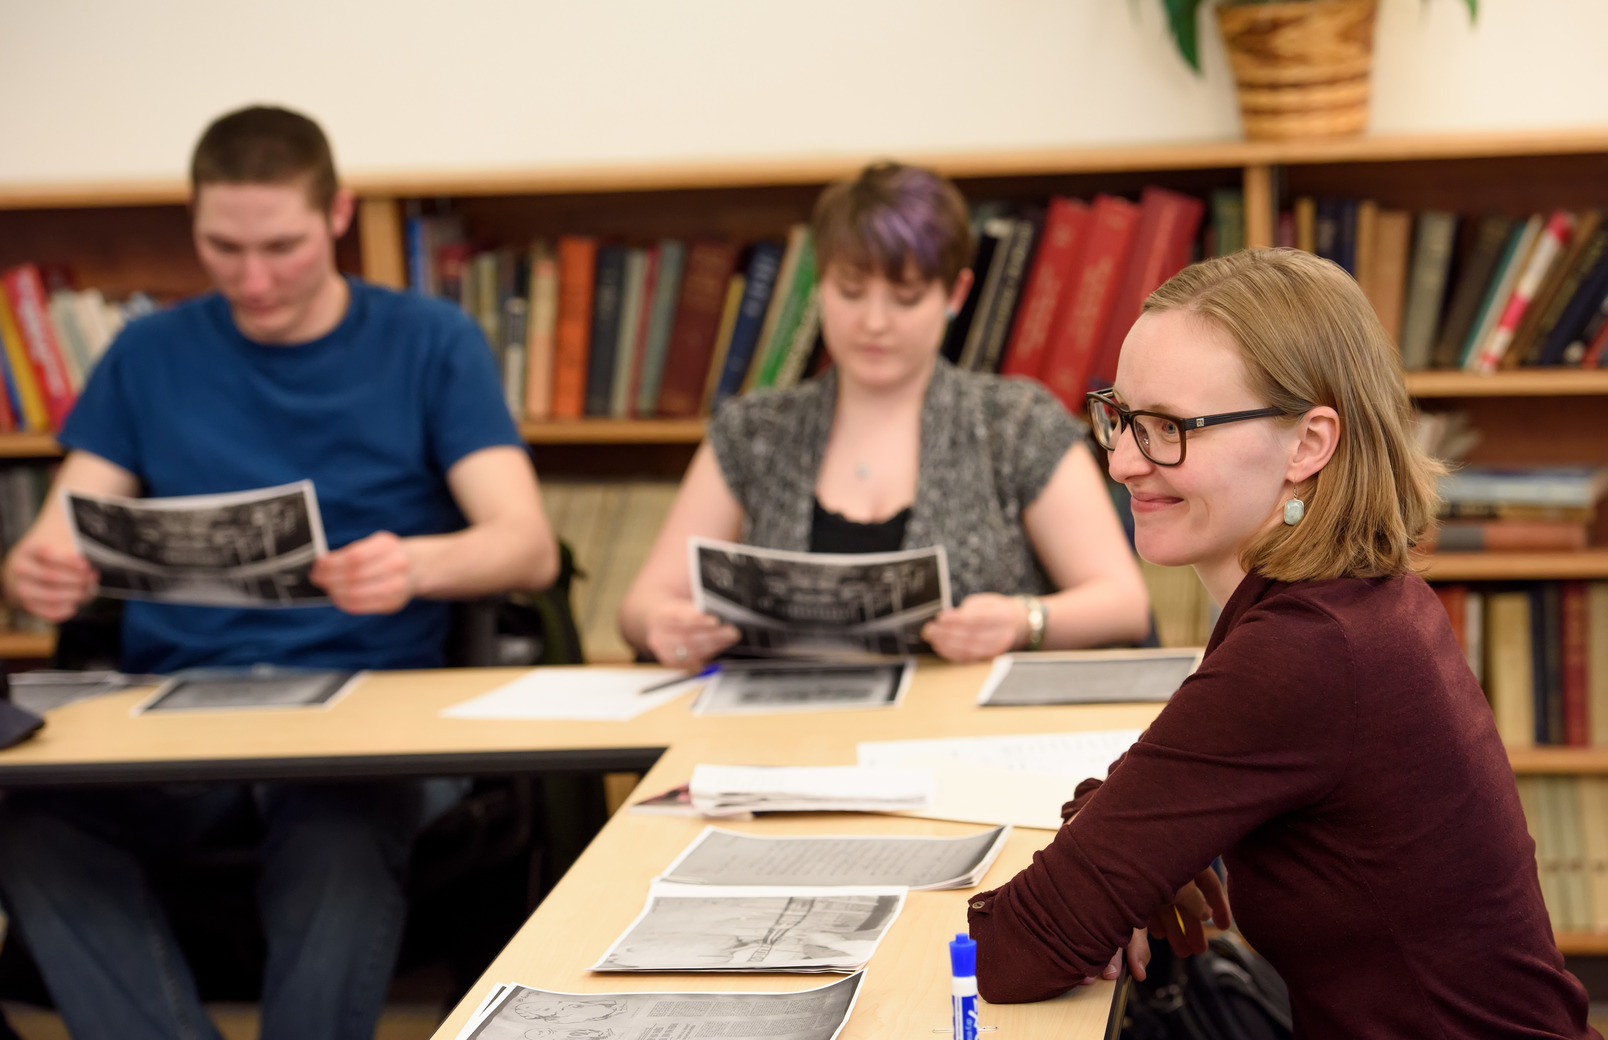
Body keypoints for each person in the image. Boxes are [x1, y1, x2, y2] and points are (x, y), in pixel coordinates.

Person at [0, 106, 559, 1040]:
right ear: (193, 222)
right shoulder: (149, 353)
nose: (253, 279)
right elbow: (51, 541)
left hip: (365, 718)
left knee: (335, 832)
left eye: (282, 247)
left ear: (338, 214)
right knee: (30, 822)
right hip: (171, 721)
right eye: (223, 246)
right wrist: (37, 574)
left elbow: (526, 545)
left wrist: (416, 563)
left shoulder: (429, 341)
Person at [966, 248, 1597, 1038]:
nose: (1123, 460)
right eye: (1120, 417)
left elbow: (1014, 948)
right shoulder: (1358, 604)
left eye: (1170, 428)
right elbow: (1125, 827)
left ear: (1308, 444)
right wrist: (1136, 858)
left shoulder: (1305, 652)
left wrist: (1119, 864)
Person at [619, 162, 1150, 666]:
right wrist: (665, 625)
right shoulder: (754, 430)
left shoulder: (1015, 423)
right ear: (819, 284)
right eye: (850, 292)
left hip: (961, 735)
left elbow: (1124, 604)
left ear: (955, 293)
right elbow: (640, 608)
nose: (874, 322)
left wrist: (1022, 620)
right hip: (785, 736)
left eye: (905, 297)